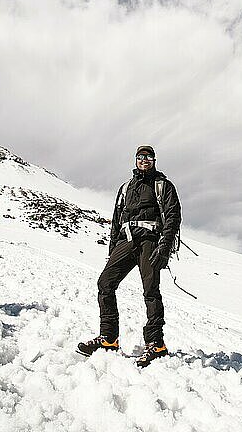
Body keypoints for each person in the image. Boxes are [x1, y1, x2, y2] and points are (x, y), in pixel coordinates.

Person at [78, 145, 182, 367]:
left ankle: (156, 344)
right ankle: (108, 338)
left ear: (154, 160)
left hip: (150, 242)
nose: (144, 160)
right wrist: (113, 250)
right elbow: (116, 220)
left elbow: (173, 216)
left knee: (151, 291)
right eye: (140, 157)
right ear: (135, 160)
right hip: (126, 241)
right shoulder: (126, 188)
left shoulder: (163, 185)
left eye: (148, 157)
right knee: (105, 283)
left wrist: (164, 247)